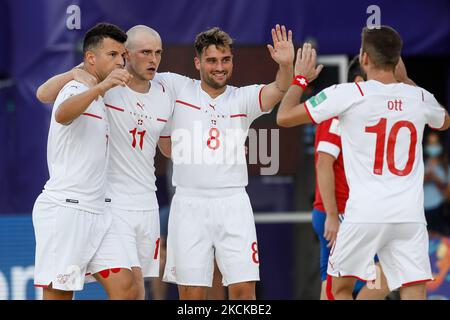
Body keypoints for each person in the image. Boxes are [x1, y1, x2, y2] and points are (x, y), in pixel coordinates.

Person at [277, 26, 450, 300]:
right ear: (397, 60)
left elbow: (284, 117)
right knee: (413, 287)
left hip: (364, 213)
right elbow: (444, 120)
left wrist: (300, 78)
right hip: (409, 216)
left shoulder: (348, 93)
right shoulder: (419, 98)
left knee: (338, 289)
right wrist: (406, 81)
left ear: (365, 58)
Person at [155, 24, 294, 300]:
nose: (219, 67)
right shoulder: (175, 86)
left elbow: (279, 88)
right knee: (192, 294)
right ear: (197, 63)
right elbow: (166, 143)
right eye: (212, 60)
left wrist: (287, 65)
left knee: (243, 290)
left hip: (233, 203)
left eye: (225, 60)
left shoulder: (242, 97)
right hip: (189, 204)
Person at [36, 25, 173, 300]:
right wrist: (99, 86)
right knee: (60, 295)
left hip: (99, 212)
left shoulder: (107, 90)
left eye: (121, 55)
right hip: (67, 208)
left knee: (129, 290)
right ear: (90, 58)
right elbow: (61, 113)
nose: (119, 62)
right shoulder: (79, 86)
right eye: (113, 54)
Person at [312, 55, 389, 300]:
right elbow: (323, 163)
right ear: (358, 80)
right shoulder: (340, 112)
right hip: (339, 213)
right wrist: (333, 216)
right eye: (375, 82)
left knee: (334, 283)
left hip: (353, 212)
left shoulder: (362, 113)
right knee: (386, 273)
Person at [424, 131, 448, 235]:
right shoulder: (418, 165)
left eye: (435, 143)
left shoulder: (446, 167)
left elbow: (448, 196)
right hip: (421, 213)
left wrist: (437, 180)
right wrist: (426, 178)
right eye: (430, 143)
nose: (432, 147)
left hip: (439, 212)